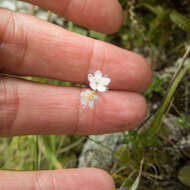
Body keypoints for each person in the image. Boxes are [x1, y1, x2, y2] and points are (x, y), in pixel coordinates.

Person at [0, 0, 152, 189]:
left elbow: (94, 87)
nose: (93, 88)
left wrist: (94, 89)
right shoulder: (91, 91)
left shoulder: (94, 87)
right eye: (94, 84)